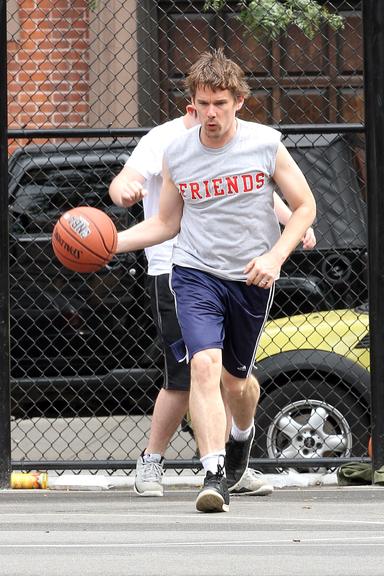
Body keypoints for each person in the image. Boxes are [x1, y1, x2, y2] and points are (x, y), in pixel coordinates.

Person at [115, 49, 316, 513]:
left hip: (249, 275)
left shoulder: (265, 143)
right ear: (192, 103)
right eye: (203, 103)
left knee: (238, 382)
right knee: (203, 364)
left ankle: (242, 435)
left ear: (239, 102)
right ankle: (213, 473)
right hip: (194, 272)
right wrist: (114, 244)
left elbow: (304, 207)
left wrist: (276, 255)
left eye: (220, 103)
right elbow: (166, 224)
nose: (211, 113)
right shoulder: (177, 153)